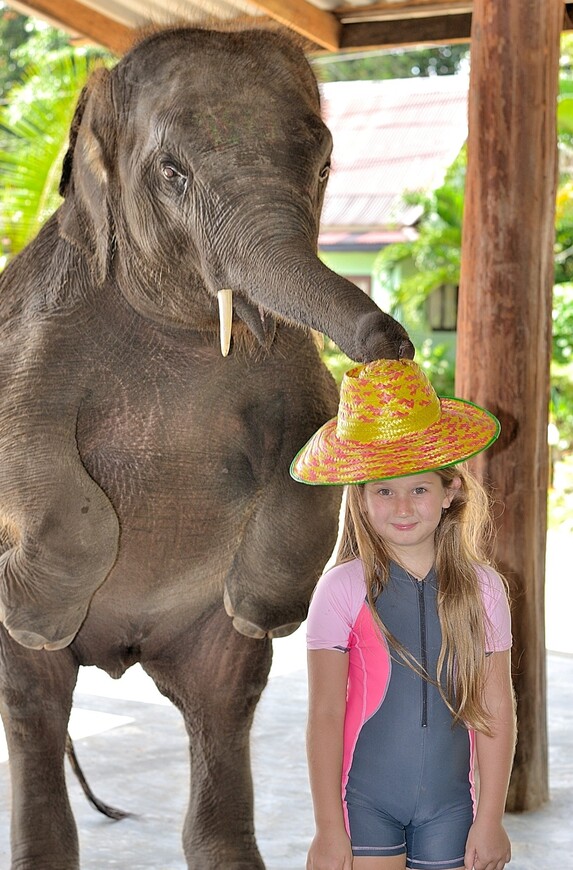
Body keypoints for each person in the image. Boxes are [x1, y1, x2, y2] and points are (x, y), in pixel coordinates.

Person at [290, 358, 516, 870]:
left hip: (454, 808)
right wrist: (328, 827)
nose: (403, 507)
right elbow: (324, 715)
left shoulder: (483, 589)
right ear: (361, 499)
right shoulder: (341, 589)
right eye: (384, 491)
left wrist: (492, 818)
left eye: (419, 488)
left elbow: (497, 707)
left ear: (449, 491)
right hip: (365, 805)